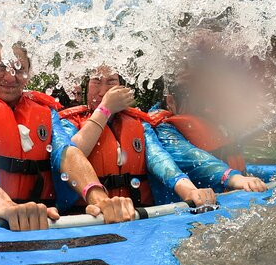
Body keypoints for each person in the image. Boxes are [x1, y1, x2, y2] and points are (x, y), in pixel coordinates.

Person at [0, 42, 135, 232]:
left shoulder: (45, 110)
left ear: (29, 73)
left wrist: (98, 197)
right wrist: (2, 204)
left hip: (42, 218)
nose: (10, 77)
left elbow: (66, 151)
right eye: (1, 67)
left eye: (19, 69)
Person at [59, 66, 220, 209]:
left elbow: (159, 159)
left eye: (111, 82)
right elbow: (69, 156)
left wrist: (189, 190)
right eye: (96, 81)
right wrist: (105, 109)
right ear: (86, 86)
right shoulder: (70, 123)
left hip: (136, 212)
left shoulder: (139, 124)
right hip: (88, 214)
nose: (102, 91)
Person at [149, 80, 267, 195]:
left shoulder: (214, 121)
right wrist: (233, 177)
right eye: (198, 103)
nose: (207, 109)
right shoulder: (161, 128)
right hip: (178, 209)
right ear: (170, 101)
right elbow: (188, 154)